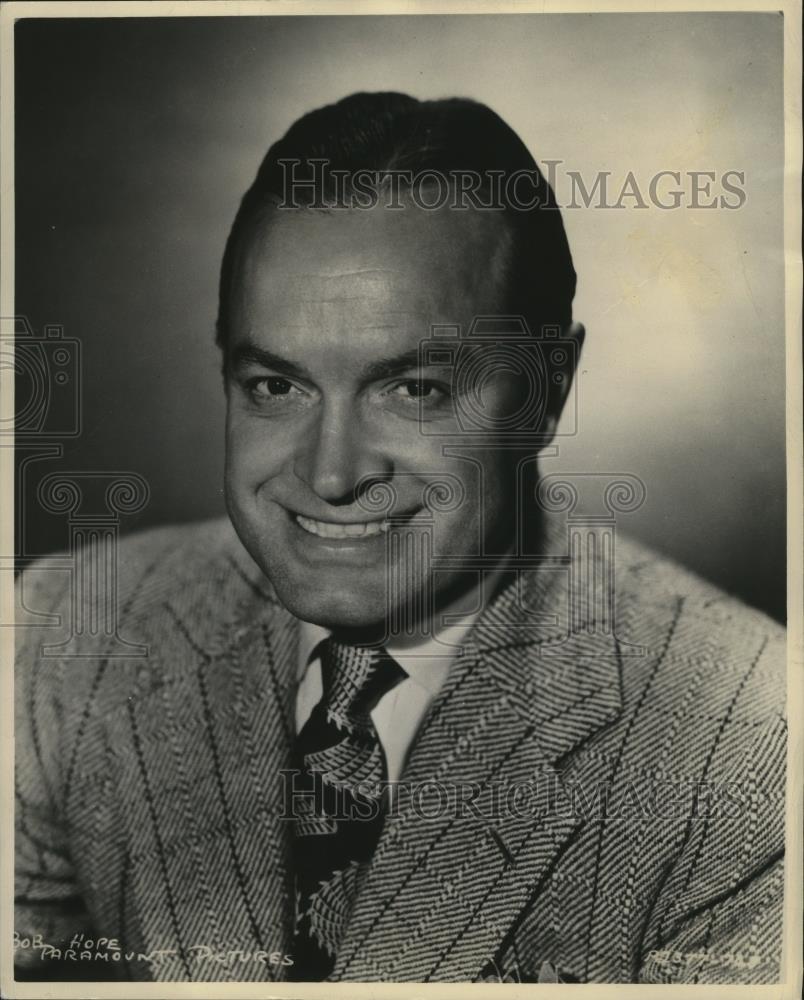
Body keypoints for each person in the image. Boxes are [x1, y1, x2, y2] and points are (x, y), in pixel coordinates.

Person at [14, 92, 785, 984]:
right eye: (275, 387)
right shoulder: (61, 638)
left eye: (412, 389)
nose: (333, 475)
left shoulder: (753, 750)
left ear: (546, 392)